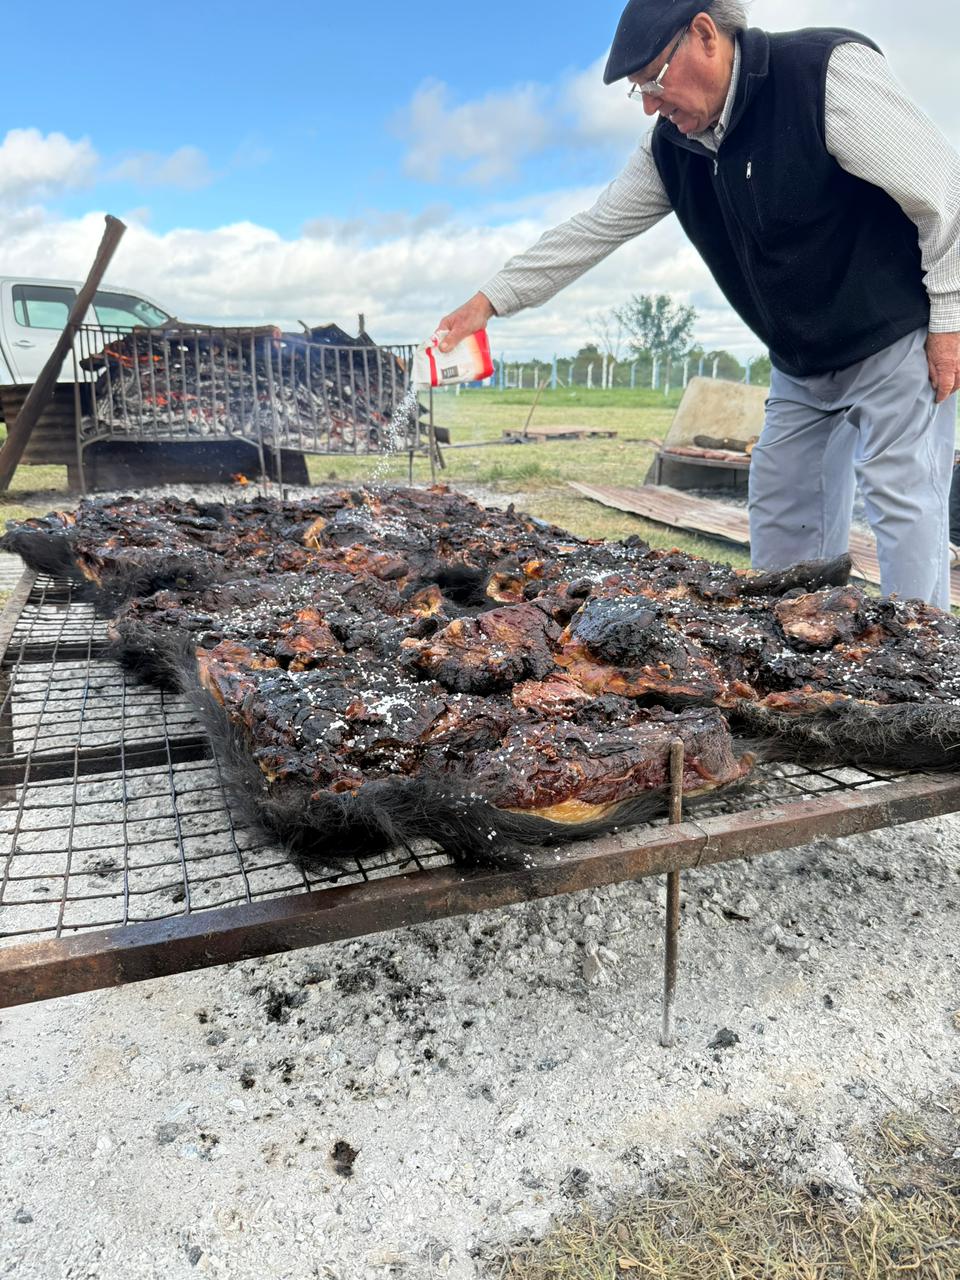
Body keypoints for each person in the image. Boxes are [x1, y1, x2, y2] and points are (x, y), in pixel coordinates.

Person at [436, 0, 960, 608]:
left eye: (654, 82)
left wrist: (949, 317)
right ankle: (800, 659)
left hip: (893, 333)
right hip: (800, 363)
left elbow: (944, 190)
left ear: (705, 35)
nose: (653, 106)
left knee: (903, 496)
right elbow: (594, 228)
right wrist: (490, 299)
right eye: (640, 94)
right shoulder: (671, 149)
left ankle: (928, 678)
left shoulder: (821, 75)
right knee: (782, 497)